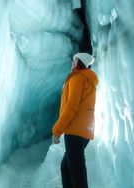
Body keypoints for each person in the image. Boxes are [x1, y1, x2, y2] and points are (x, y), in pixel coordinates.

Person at [52, 52, 98, 188]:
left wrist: (57, 130)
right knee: (66, 168)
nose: (72, 63)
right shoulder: (89, 80)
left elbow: (71, 107)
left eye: (75, 60)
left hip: (74, 133)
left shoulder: (77, 79)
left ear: (80, 62)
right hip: (83, 133)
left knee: (77, 175)